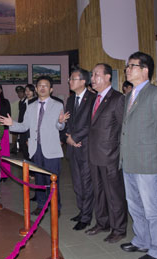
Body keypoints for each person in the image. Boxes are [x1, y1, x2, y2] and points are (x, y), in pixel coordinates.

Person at [119, 51, 157, 259]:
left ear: (145, 70)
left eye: (132, 66)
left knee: (153, 208)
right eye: (127, 66)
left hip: (148, 161)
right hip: (129, 160)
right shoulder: (129, 96)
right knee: (134, 205)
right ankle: (141, 240)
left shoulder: (156, 94)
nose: (127, 69)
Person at [0, 76, 69, 215]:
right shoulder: (30, 107)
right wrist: (12, 124)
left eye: (46, 86)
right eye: (40, 86)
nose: (42, 88)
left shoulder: (58, 105)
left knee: (53, 179)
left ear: (51, 89)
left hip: (51, 149)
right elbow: (25, 126)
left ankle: (56, 206)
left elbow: (60, 126)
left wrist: (61, 122)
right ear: (36, 89)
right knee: (39, 179)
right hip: (35, 149)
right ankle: (41, 204)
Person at [86, 63, 127, 243]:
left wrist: (119, 154)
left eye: (96, 75)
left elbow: (123, 129)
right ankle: (102, 223)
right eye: (92, 75)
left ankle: (119, 229)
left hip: (110, 155)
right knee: (99, 192)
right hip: (94, 154)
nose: (92, 79)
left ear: (108, 77)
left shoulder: (118, 99)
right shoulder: (95, 98)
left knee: (114, 194)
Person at [65, 67, 96, 231]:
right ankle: (81, 210)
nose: (70, 81)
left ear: (83, 81)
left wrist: (75, 138)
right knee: (77, 183)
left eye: (73, 79)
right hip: (73, 147)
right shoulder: (70, 100)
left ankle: (86, 217)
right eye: (70, 79)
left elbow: (91, 124)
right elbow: (67, 122)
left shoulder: (93, 99)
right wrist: (68, 137)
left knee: (86, 183)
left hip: (86, 147)